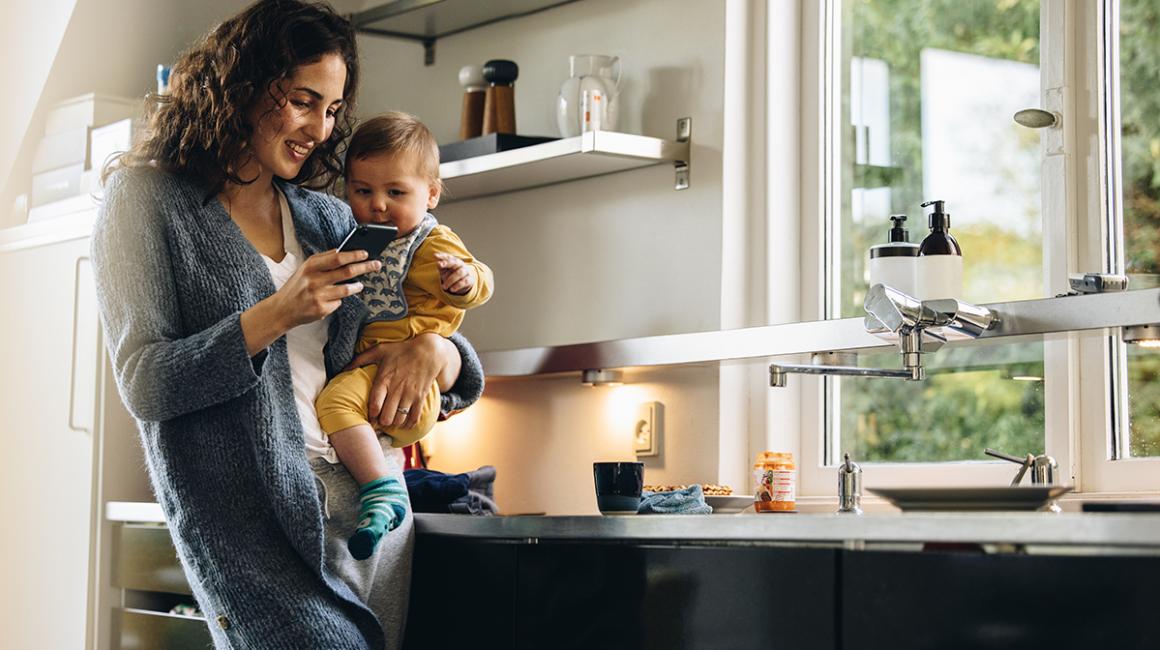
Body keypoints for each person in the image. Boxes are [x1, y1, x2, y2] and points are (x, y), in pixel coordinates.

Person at [90, 1, 482, 648]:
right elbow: (145, 382)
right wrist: (275, 314)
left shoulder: (329, 220)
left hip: (373, 513)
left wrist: (440, 353)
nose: (320, 129)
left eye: (331, 110)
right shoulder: (146, 203)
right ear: (242, 84)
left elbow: (408, 326)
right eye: (303, 100)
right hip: (256, 533)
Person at [315, 112, 493, 560]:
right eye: (363, 191)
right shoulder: (362, 239)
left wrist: (465, 281)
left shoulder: (431, 245)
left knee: (334, 405)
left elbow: (481, 277)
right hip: (380, 380)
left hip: (403, 384)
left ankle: (382, 492)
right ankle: (377, 514)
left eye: (396, 192)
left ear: (431, 194)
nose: (378, 205)